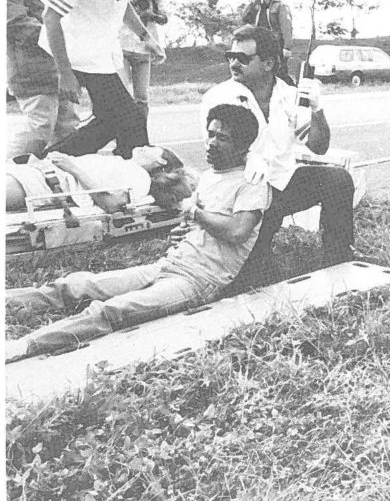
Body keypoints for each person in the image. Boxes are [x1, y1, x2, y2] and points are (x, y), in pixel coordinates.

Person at [5, 103, 268, 363]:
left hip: (199, 280)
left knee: (112, 311)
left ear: (243, 146)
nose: (211, 142)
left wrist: (194, 214)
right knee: (77, 285)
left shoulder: (252, 183)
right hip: (169, 264)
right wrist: (185, 231)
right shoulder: (212, 176)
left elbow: (237, 231)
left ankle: (26, 345)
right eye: (210, 134)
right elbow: (201, 223)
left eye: (222, 138)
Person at [202, 25, 355, 288]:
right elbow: (214, 155)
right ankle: (254, 263)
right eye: (231, 56)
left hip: (282, 184)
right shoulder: (220, 96)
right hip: (243, 192)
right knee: (253, 282)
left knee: (337, 179)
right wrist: (247, 158)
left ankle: (338, 259)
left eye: (243, 58)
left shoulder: (288, 95)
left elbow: (319, 147)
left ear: (268, 63)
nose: (234, 63)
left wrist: (317, 110)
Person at [38, 0, 164, 160]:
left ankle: (47, 163)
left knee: (110, 121)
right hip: (73, 54)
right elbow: (50, 17)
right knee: (130, 118)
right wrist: (65, 74)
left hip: (99, 55)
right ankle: (143, 172)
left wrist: (145, 37)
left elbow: (121, 3)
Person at [7, 0, 76, 158]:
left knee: (67, 130)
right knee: (39, 129)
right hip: (30, 72)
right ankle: (8, 171)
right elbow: (16, 23)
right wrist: (57, 34)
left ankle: (65, 184)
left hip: (52, 71)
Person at [6, 145, 189, 214]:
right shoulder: (122, 164)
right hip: (36, 173)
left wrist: (72, 167)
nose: (143, 146)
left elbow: (112, 204)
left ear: (161, 161)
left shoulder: (141, 178)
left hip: (42, 183)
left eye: (151, 148)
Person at [118, 0, 167, 124]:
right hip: (121, 45)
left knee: (142, 99)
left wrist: (150, 15)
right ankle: (122, 136)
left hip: (143, 48)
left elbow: (163, 16)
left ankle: (140, 134)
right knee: (121, 97)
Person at [241, 0, 293, 80]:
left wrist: (287, 47)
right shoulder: (257, 5)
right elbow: (245, 18)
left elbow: (286, 27)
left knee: (279, 73)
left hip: (276, 45)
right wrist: (253, 2)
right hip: (260, 44)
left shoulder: (280, 6)